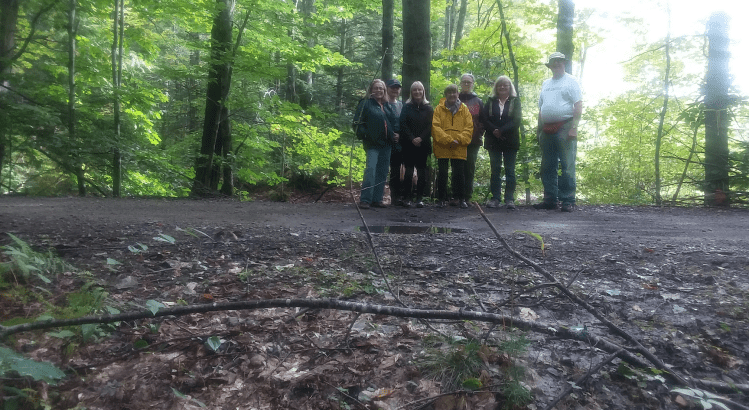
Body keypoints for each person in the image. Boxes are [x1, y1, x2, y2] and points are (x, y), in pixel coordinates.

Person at [533, 52, 582, 212]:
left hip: (565, 126)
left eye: (559, 61)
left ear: (564, 63)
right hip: (546, 128)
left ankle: (568, 200)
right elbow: (541, 108)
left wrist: (574, 127)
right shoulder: (546, 83)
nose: (556, 64)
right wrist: (539, 129)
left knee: (567, 164)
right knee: (547, 165)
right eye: (553, 62)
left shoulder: (571, 81)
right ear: (550, 65)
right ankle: (550, 199)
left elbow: (578, 105)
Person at [353, 79, 400, 209]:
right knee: (371, 170)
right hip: (372, 144)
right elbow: (357, 123)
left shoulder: (386, 105)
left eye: (381, 88)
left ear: (384, 90)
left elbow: (392, 122)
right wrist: (366, 135)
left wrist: (396, 133)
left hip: (386, 144)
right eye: (376, 88)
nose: (379, 90)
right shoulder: (365, 104)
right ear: (371, 90)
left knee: (382, 172)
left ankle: (377, 199)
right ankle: (365, 199)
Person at [483, 75, 522, 210]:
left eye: (505, 85)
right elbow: (484, 118)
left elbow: (516, 120)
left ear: (510, 87)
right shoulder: (490, 101)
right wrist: (494, 130)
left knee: (510, 170)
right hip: (493, 141)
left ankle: (509, 199)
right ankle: (495, 198)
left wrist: (501, 130)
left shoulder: (515, 101)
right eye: (500, 85)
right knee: (495, 170)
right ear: (496, 87)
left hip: (510, 141)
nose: (502, 87)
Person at [432, 84, 473, 208]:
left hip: (459, 147)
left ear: (458, 94)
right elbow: (435, 127)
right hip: (442, 146)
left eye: (454, 92)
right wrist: (448, 140)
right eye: (449, 93)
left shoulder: (464, 109)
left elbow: (469, 127)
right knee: (442, 173)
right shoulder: (439, 109)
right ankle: (441, 199)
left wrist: (458, 140)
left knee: (459, 173)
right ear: (446, 95)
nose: (452, 95)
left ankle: (461, 199)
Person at [399, 81, 433, 208]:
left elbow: (431, 125)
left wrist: (421, 138)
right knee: (408, 172)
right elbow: (403, 124)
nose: (417, 92)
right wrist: (412, 138)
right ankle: (407, 198)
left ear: (423, 91)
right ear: (411, 92)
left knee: (422, 172)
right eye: (415, 90)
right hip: (408, 144)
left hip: (423, 145)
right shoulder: (406, 107)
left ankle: (419, 198)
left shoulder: (429, 108)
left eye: (420, 90)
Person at [458, 74, 485, 205]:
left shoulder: (478, 101)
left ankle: (467, 197)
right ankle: (457, 196)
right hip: (456, 140)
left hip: (473, 141)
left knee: (469, 167)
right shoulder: (455, 99)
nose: (466, 84)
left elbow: (484, 120)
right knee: (458, 167)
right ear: (460, 84)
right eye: (464, 82)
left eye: (469, 82)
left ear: (473, 84)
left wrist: (479, 133)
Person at [385, 79, 405, 206]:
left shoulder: (402, 105)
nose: (395, 90)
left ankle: (395, 196)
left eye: (397, 88)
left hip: (399, 142)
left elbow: (406, 123)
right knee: (381, 168)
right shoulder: (383, 104)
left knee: (396, 170)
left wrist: (400, 135)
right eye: (393, 87)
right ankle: (375, 197)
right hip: (385, 140)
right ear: (387, 88)